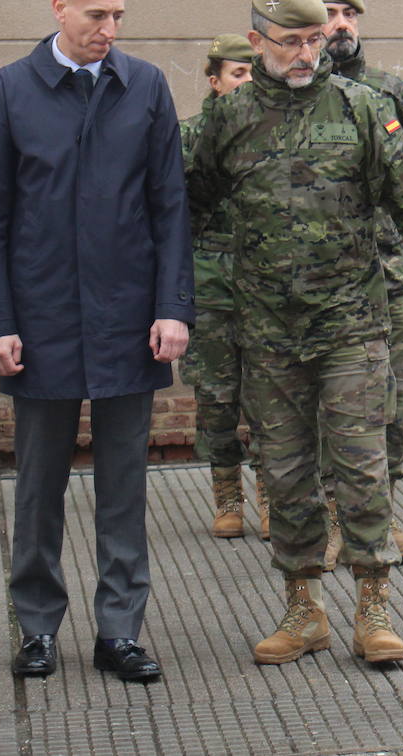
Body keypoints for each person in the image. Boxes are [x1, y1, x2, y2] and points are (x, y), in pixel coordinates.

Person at [187, 0, 403, 666]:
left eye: (313, 40)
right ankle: (303, 610)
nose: (304, 54)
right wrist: (186, 299)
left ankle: (373, 608)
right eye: (289, 42)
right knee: (285, 474)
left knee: (361, 467)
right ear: (257, 40)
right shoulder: (226, 123)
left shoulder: (360, 109)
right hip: (267, 335)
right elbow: (187, 207)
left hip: (352, 326)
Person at [0, 0, 194, 682]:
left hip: (131, 318)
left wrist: (172, 307)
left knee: (124, 484)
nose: (110, 30)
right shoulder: (10, 90)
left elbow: (169, 206)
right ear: (60, 8)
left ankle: (118, 632)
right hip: (42, 322)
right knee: (38, 485)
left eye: (119, 16)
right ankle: (36, 629)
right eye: (96, 15)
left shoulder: (146, 87)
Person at [310, 0, 403, 566]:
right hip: (333, 282)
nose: (340, 25)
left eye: (347, 14)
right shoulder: (302, 95)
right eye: (328, 14)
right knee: (338, 405)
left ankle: (383, 516)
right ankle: (335, 519)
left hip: (389, 272)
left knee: (395, 401)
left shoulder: (391, 93)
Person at [179, 33, 267, 540]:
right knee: (216, 397)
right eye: (238, 73)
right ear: (214, 82)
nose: (247, 82)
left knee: (270, 399)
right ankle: (227, 496)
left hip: (266, 288)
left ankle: (272, 498)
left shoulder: (274, 131)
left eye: (254, 72)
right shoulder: (189, 137)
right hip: (208, 285)